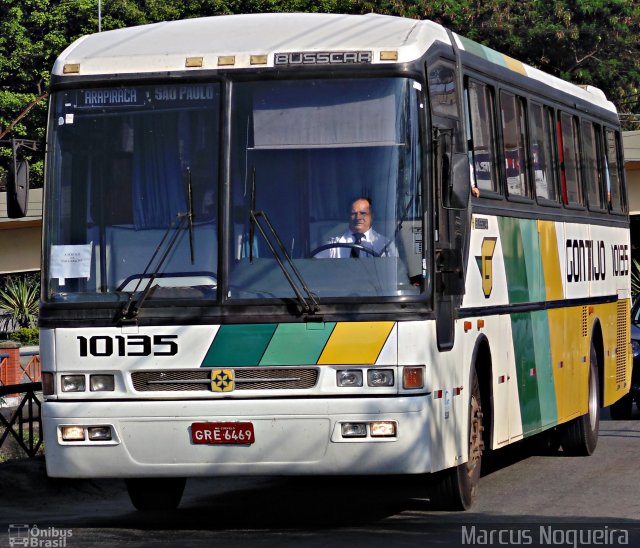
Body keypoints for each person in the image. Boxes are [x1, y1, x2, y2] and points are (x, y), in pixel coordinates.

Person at [316, 197, 397, 258]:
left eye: (363, 213)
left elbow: (397, 274)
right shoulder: (333, 246)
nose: (358, 217)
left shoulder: (386, 246)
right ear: (348, 216)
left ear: (372, 216)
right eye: (353, 213)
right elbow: (314, 267)